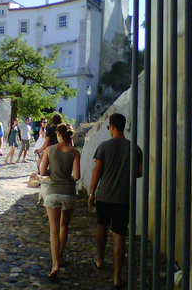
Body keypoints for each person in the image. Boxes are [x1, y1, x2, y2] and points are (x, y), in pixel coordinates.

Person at [88, 113, 143, 289]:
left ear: (112, 127)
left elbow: (97, 171)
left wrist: (91, 193)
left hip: (104, 196)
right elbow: (139, 172)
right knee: (119, 235)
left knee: (102, 226)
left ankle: (100, 259)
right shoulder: (135, 148)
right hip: (123, 197)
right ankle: (117, 277)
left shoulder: (104, 146)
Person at [40, 123, 81, 278]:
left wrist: (53, 174)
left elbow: (43, 172)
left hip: (52, 192)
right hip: (68, 193)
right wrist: (67, 178)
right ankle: (61, 256)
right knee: (64, 226)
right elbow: (76, 176)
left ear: (58, 133)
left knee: (54, 228)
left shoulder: (49, 150)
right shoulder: (75, 152)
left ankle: (55, 263)